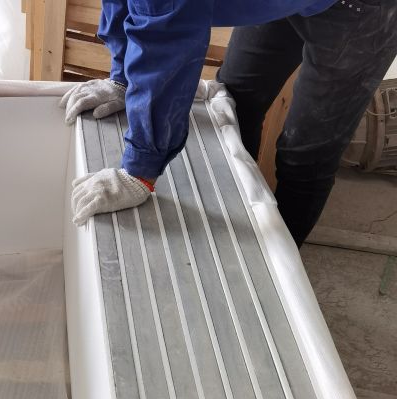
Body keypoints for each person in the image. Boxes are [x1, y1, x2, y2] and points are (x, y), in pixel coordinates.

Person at [62, 0, 397, 246]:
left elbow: (167, 33)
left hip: (363, 10)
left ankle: (278, 275)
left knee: (306, 153)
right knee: (233, 103)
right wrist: (121, 76)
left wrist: (140, 170)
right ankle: (239, 225)